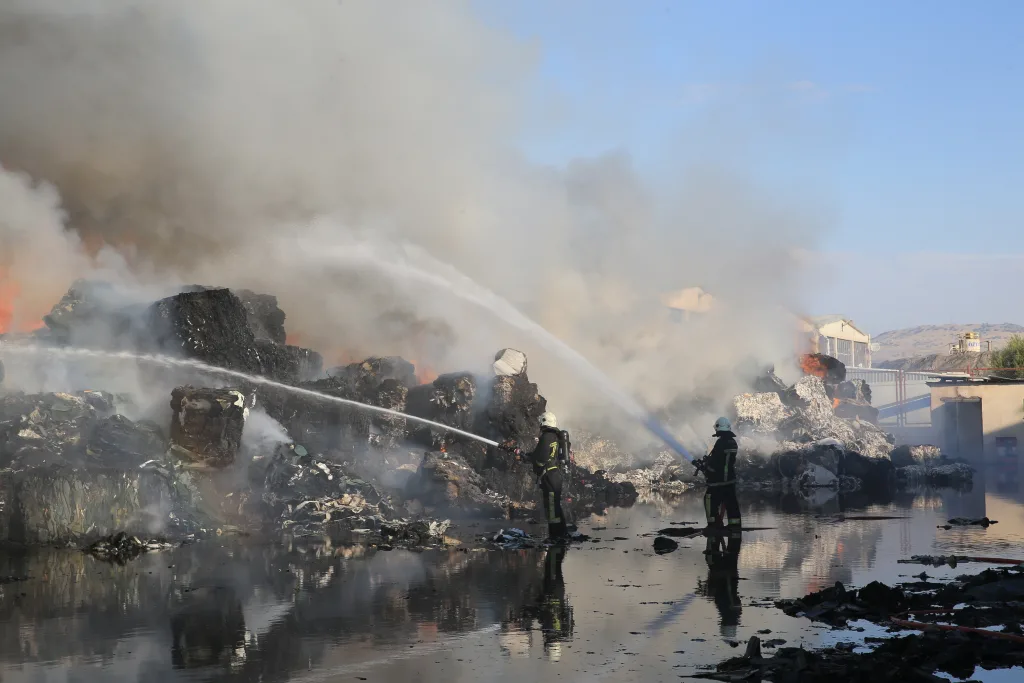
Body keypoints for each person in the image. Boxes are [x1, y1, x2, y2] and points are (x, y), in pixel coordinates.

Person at [527, 411, 571, 540]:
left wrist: (531, 460)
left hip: (550, 476)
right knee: (555, 505)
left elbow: (541, 457)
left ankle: (556, 536)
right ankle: (562, 533)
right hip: (555, 475)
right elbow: (542, 454)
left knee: (552, 507)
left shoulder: (547, 436)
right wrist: (527, 456)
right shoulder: (556, 437)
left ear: (543, 422)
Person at [694, 416, 741, 533]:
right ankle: (735, 526)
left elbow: (716, 462)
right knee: (731, 503)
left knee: (709, 500)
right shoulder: (732, 442)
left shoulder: (721, 443)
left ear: (718, 428)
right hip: (729, 480)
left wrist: (705, 467)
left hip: (718, 481)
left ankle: (714, 526)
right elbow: (726, 461)